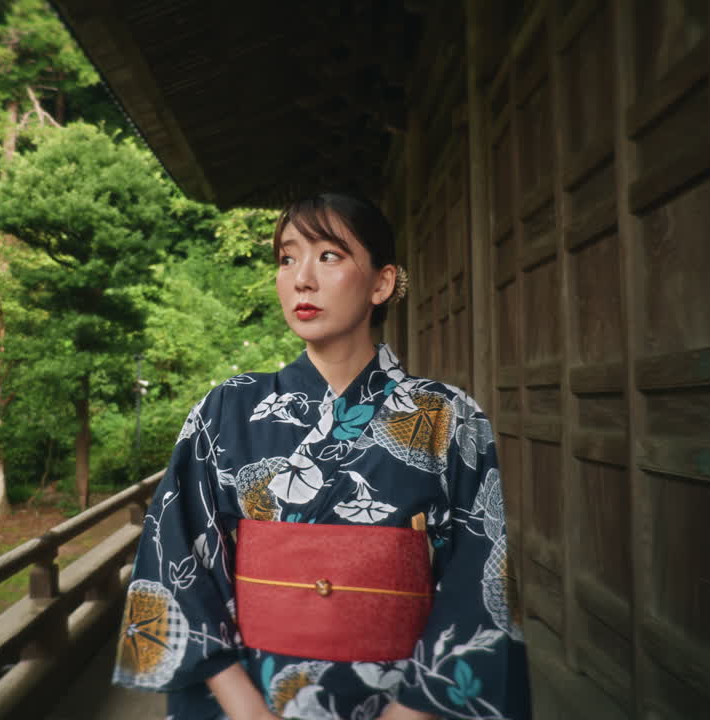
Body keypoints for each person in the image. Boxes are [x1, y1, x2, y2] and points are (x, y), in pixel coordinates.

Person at [112, 192, 531, 720]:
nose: (301, 278)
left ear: (381, 282)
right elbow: (176, 562)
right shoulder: (227, 408)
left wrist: (409, 713)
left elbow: (480, 579)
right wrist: (247, 710)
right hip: (254, 696)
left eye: (328, 256)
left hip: (405, 701)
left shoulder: (447, 415)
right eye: (287, 258)